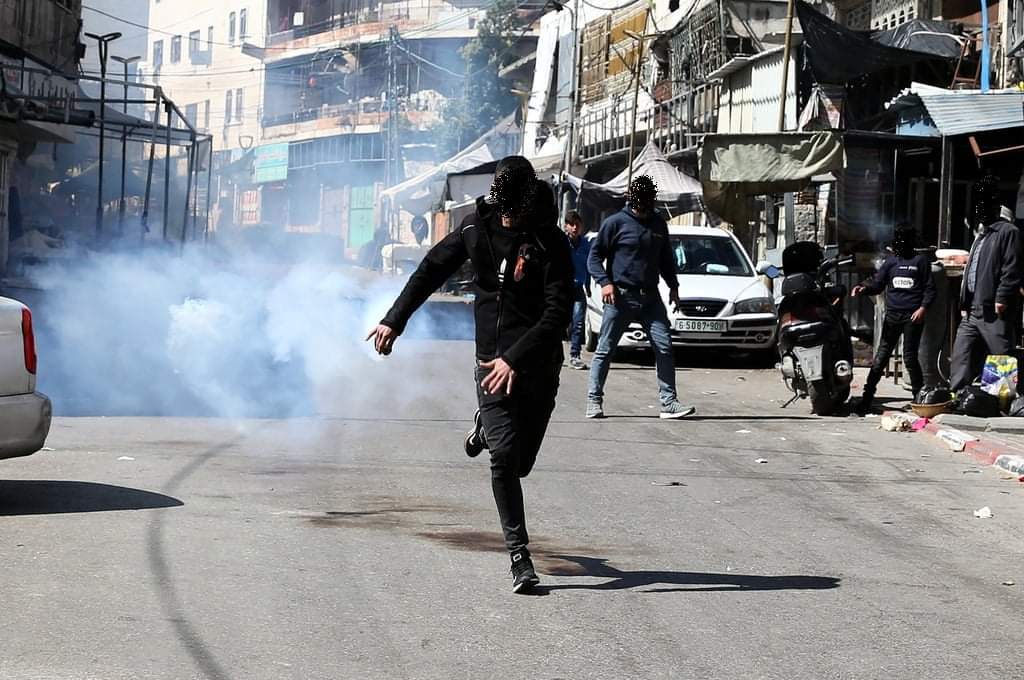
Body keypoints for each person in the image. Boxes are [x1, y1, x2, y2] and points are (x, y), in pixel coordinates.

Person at [366, 156, 573, 594]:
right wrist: (393, 321)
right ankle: (520, 556)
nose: (508, 218)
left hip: (536, 364)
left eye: (514, 211)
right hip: (488, 361)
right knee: (504, 457)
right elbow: (429, 271)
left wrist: (515, 359)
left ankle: (484, 430)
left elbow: (558, 314)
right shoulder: (473, 227)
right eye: (504, 210)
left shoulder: (550, 241)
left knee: (521, 464)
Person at [585, 174, 695, 420]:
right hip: (620, 298)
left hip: (651, 299)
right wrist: (605, 283)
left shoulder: (658, 224)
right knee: (605, 349)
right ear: (633, 199)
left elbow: (665, 259)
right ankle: (594, 400)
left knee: (664, 347)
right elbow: (594, 258)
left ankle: (669, 402)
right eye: (642, 201)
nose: (646, 206)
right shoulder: (615, 223)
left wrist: (674, 287)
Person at [851, 224, 936, 415]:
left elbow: (930, 289)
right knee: (881, 357)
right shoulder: (891, 262)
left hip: (912, 317)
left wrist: (923, 309)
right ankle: (867, 398)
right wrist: (863, 289)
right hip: (893, 316)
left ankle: (918, 399)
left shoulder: (920, 261)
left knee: (909, 358)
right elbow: (878, 285)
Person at [950, 174, 1021, 392]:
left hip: (992, 308)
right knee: (962, 351)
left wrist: (1002, 297)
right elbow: (975, 268)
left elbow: (1012, 267)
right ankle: (958, 393)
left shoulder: (1008, 232)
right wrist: (964, 302)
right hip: (972, 309)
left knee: (1001, 353)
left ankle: (1003, 397)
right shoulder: (982, 236)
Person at [565, 210, 591, 370]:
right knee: (558, 321)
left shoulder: (586, 244)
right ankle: (552, 354)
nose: (575, 228)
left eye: (577, 225)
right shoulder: (561, 243)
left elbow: (589, 265)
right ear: (566, 226)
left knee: (579, 323)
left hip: (578, 288)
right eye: (571, 225)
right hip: (562, 288)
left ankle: (575, 355)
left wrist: (588, 286)